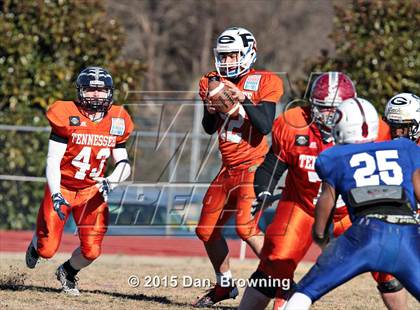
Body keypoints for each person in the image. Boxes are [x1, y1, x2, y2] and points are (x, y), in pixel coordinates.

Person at [238, 72, 404, 310]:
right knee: (272, 266)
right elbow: (272, 166)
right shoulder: (293, 124)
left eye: (335, 108)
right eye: (322, 107)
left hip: (353, 210)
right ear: (311, 105)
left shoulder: (373, 128)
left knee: (386, 269)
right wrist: (264, 193)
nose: (328, 115)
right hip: (303, 207)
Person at [285, 97, 420, 309]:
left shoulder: (334, 156)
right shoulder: (406, 149)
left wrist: (320, 234)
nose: (398, 132)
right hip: (405, 232)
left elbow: (326, 199)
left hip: (365, 233)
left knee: (305, 291)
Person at [194, 27, 283, 307]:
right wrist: (211, 109)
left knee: (246, 228)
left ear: (248, 53)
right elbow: (210, 129)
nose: (228, 60)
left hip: (254, 165)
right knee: (206, 230)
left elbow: (265, 125)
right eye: (223, 55)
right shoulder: (212, 81)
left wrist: (242, 98)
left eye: (233, 54)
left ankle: (283, 285)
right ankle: (224, 285)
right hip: (228, 167)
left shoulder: (265, 81)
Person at [25, 67, 134, 296]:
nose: (95, 95)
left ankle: (68, 272)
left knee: (92, 250)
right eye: (90, 90)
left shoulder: (118, 119)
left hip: (92, 191)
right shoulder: (67, 114)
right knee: (47, 250)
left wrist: (111, 182)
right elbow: (53, 160)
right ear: (80, 91)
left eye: (101, 90)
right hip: (64, 187)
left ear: (109, 92)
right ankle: (37, 244)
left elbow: (124, 163)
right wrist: (55, 193)